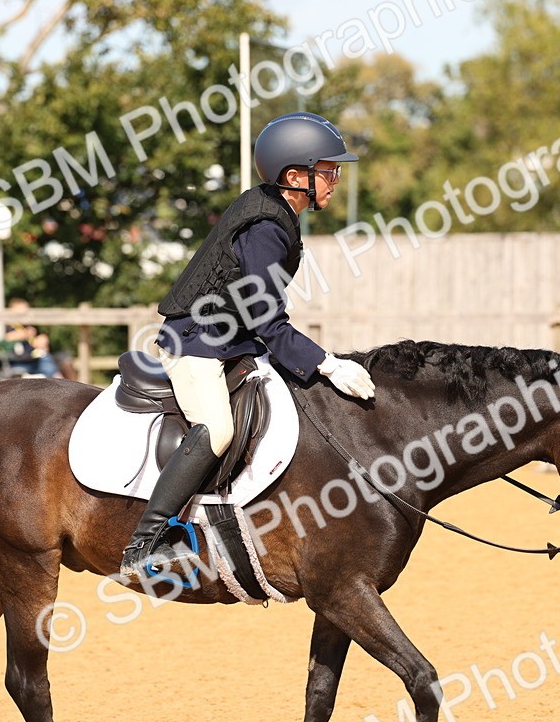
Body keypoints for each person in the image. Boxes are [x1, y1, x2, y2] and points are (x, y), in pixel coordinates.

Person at [119, 112, 376, 579]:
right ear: (295, 177)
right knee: (217, 429)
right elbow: (265, 317)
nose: (336, 180)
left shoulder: (276, 211)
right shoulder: (266, 227)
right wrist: (326, 364)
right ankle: (146, 542)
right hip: (196, 341)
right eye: (329, 171)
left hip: (231, 339)